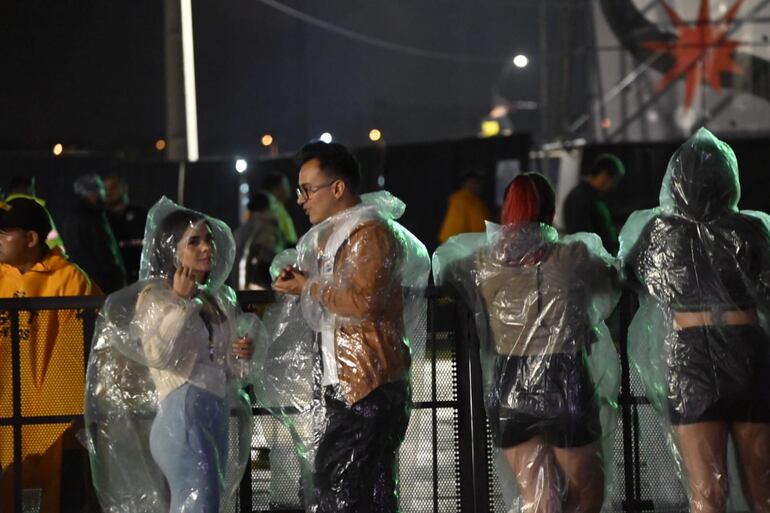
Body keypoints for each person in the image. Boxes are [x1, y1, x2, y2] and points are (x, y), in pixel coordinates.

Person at [433, 173, 620, 513]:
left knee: (537, 499)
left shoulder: (481, 262)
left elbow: (445, 275)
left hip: (509, 381)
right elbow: (612, 279)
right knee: (586, 493)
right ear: (550, 215)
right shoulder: (572, 257)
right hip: (564, 378)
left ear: (506, 213)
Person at [265, 142, 430, 513]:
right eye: (299, 190)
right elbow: (342, 295)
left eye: (308, 189)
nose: (301, 199)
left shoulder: (371, 233)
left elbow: (363, 302)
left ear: (337, 188)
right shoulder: (337, 234)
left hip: (369, 385)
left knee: (338, 487)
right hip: (349, 382)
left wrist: (308, 286)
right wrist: (304, 279)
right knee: (368, 492)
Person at [619, 128, 770, 513]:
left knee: (707, 491)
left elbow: (632, 275)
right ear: (728, 181)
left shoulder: (660, 232)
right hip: (747, 352)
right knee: (763, 486)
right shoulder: (751, 230)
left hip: (690, 359)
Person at [84, 197, 265, 513]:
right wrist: (181, 301)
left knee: (207, 504)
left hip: (214, 415)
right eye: (193, 242)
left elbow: (228, 370)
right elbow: (158, 354)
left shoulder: (216, 298)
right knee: (198, 504)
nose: (206, 248)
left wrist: (242, 353)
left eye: (207, 239)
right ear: (172, 250)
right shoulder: (156, 297)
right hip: (181, 419)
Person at [0, 197, 101, 513]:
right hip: (3, 413)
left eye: (5, 233)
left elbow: (91, 346)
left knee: (50, 495)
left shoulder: (71, 279)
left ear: (31, 238)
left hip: (51, 423)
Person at [61, 174, 127, 293]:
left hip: (87, 284)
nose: (105, 194)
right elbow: (102, 252)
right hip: (100, 287)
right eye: (101, 189)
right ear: (93, 193)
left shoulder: (75, 216)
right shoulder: (91, 218)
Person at [563, 154, 624, 254]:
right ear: (604, 175)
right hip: (593, 262)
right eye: (614, 181)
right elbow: (582, 236)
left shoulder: (594, 197)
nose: (613, 186)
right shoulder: (580, 198)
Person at [103, 173, 149, 283]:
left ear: (124, 188)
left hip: (142, 278)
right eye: (105, 189)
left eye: (113, 187)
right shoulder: (103, 220)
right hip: (116, 281)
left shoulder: (142, 214)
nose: (109, 192)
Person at [231, 190, 280, 290]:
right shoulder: (267, 227)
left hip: (238, 288)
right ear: (268, 207)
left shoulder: (240, 230)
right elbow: (268, 260)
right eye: (274, 205)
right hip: (259, 291)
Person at [438, 171, 491, 243]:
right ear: (466, 183)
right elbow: (479, 226)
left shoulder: (459, 197)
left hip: (449, 241)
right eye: (474, 182)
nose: (477, 185)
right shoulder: (467, 200)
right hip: (459, 244)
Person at [263, 172, 298, 249]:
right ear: (276, 188)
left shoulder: (278, 206)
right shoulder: (273, 207)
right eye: (285, 185)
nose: (289, 188)